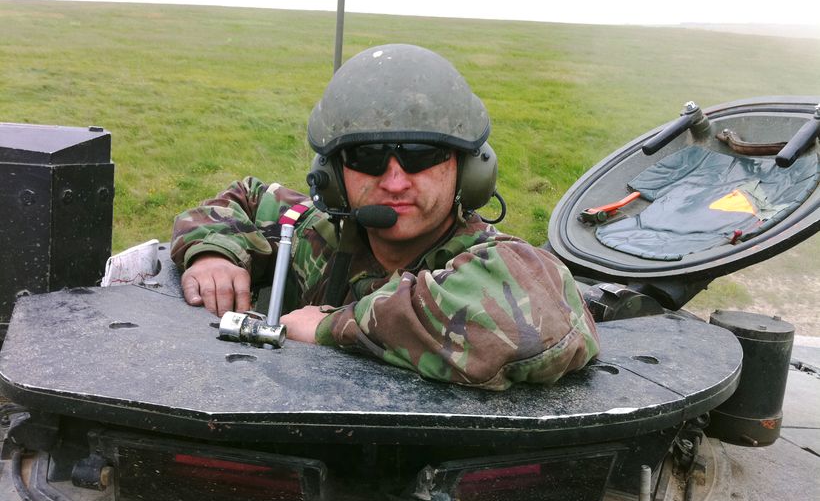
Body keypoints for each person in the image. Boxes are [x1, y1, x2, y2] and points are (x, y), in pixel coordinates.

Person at [171, 44, 599, 390]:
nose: (395, 182)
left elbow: (535, 327)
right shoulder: (312, 229)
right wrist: (213, 254)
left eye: (422, 155)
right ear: (334, 175)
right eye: (367, 157)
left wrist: (329, 327)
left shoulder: (485, 259)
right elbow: (245, 198)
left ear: (467, 172)